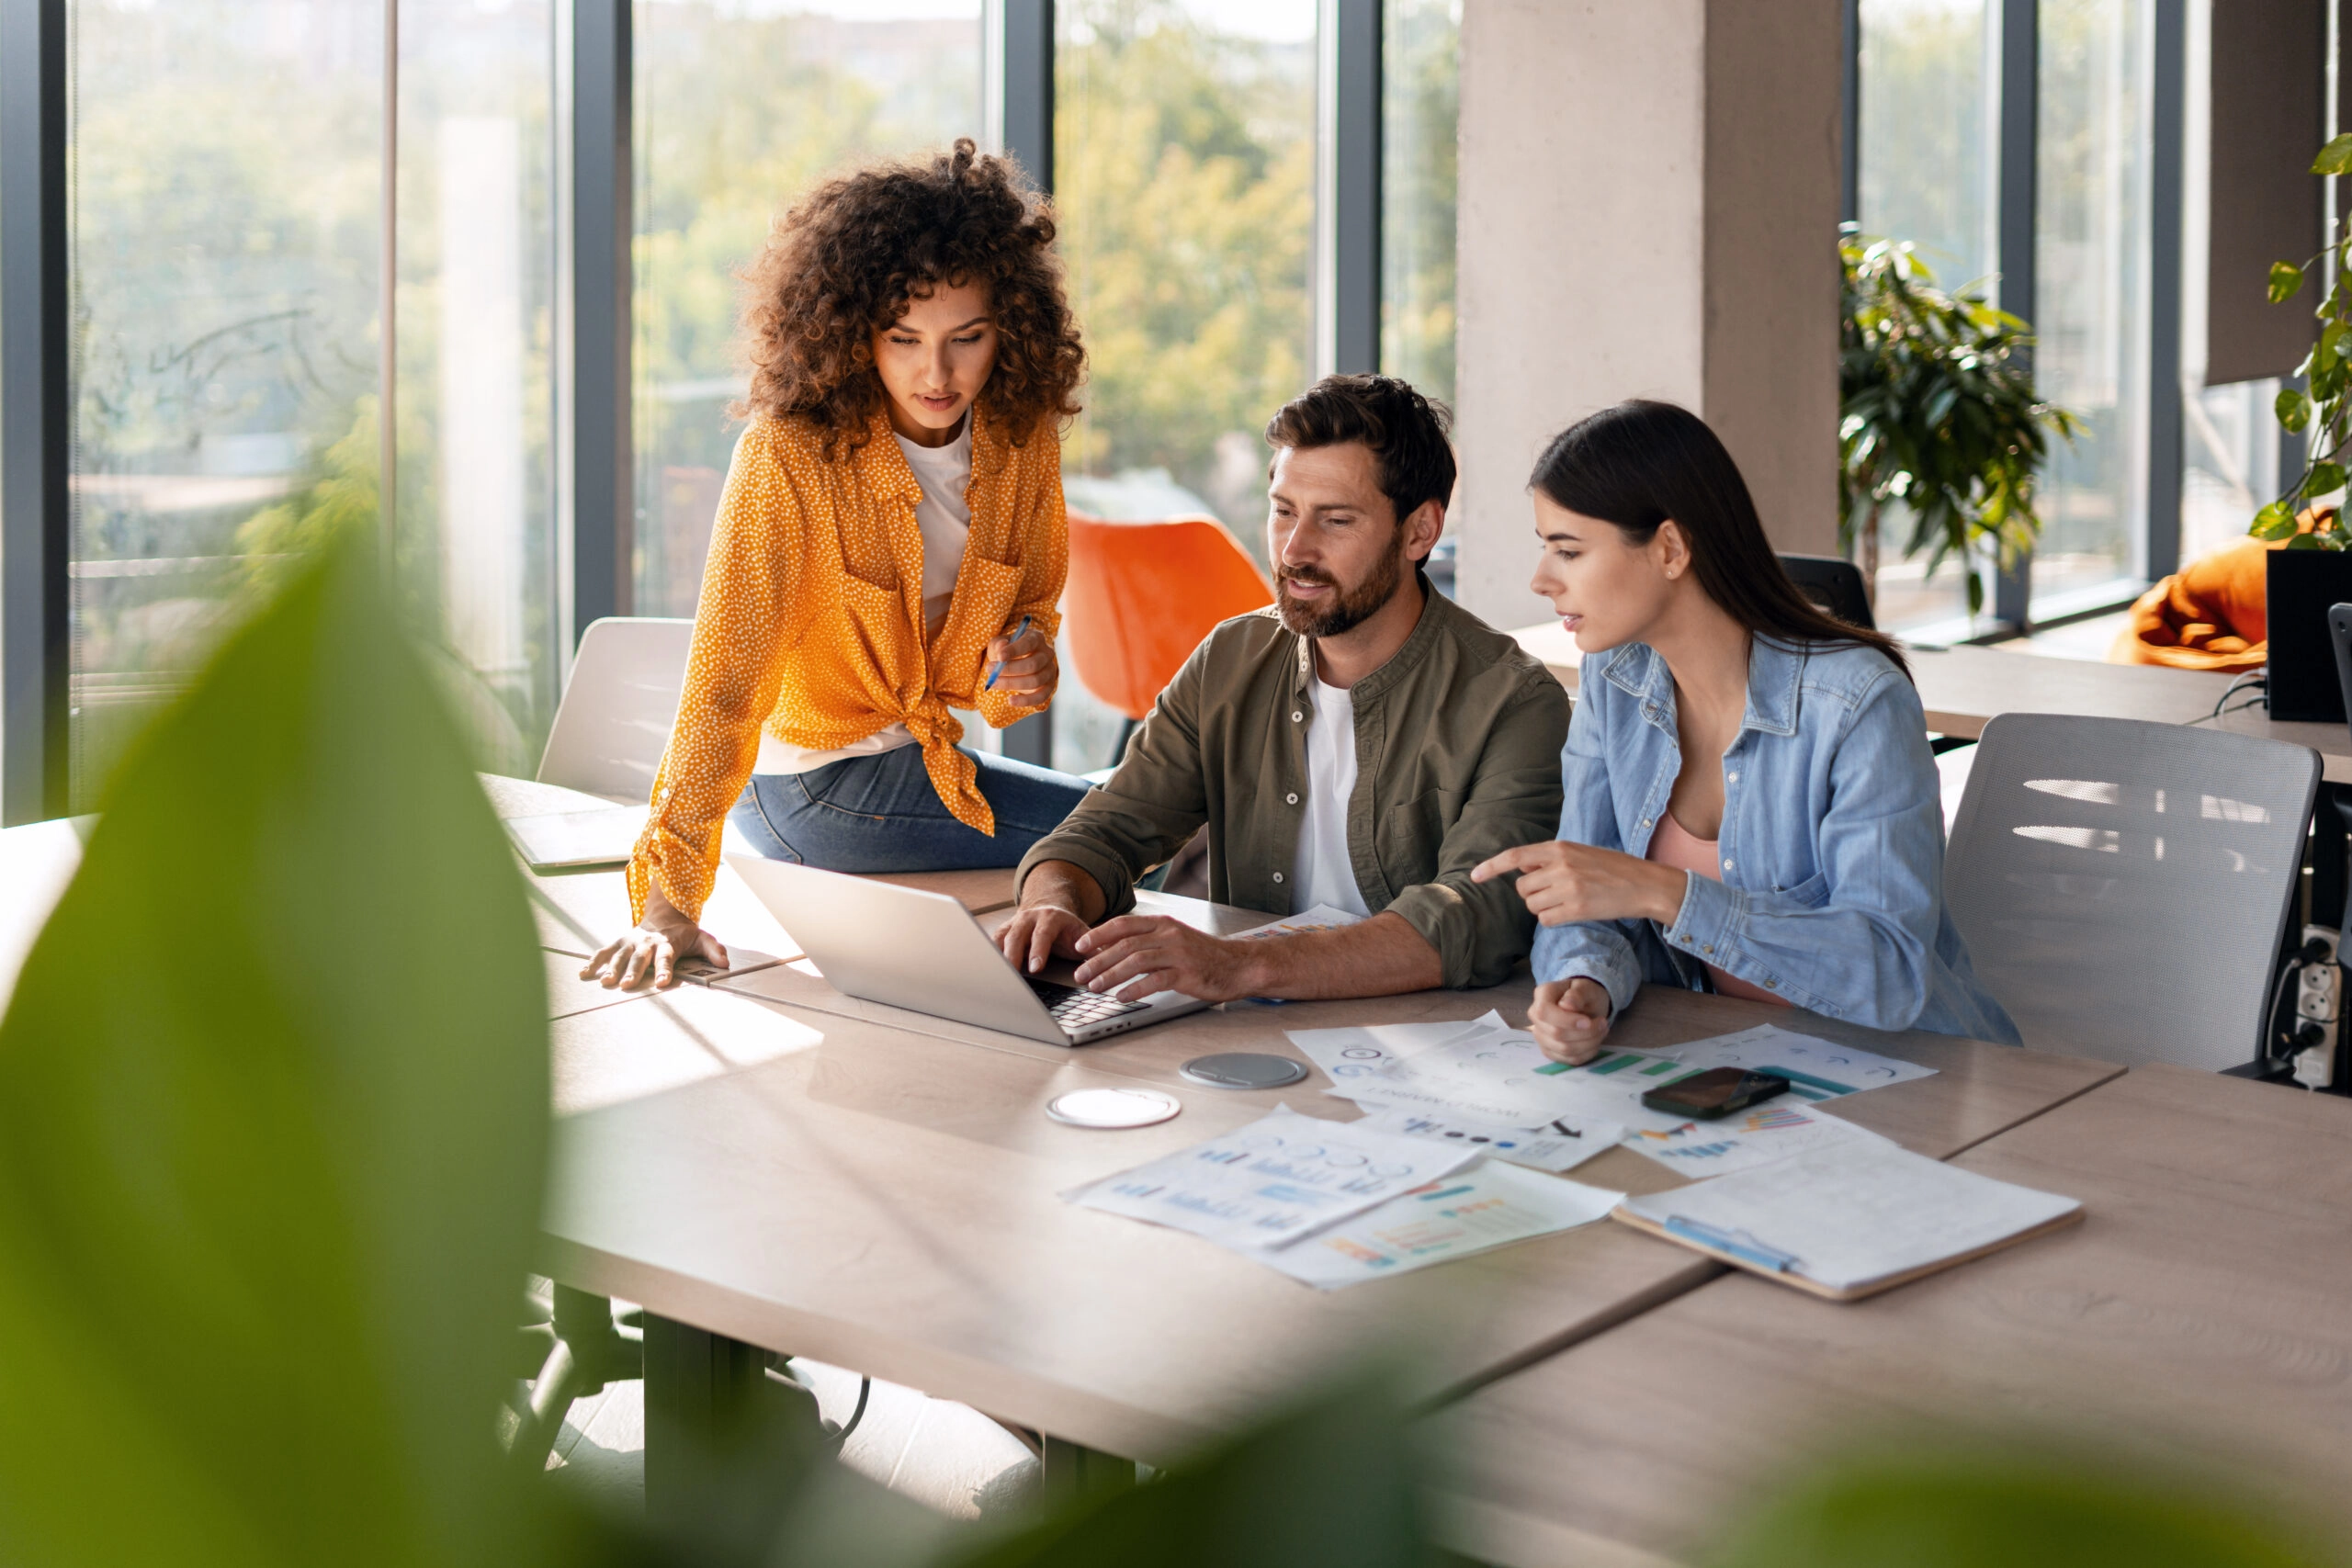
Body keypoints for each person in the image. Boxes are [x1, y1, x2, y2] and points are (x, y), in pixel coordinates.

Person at [588, 140, 1090, 990]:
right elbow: (725, 680)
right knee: (1119, 835)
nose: (938, 373)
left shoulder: (1020, 438)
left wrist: (1024, 662)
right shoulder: (790, 456)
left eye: (968, 337)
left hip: (921, 763)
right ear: (856, 333)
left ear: (1011, 326)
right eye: (904, 339)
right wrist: (668, 901)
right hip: (809, 787)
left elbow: (1014, 648)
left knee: (1128, 819)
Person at [1471, 400, 2019, 1062]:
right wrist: (1585, 981)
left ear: (1670, 548)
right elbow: (1588, 899)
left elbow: (1890, 968)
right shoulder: (1613, 681)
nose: (1540, 579)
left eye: (1569, 550)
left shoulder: (1857, 704)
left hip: (1910, 1069)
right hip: (1732, 1059)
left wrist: (1664, 892)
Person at [997, 374, 1572, 1001]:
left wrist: (1242, 965)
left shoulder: (1514, 702)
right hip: (1253, 1035)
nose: (1295, 550)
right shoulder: (1231, 658)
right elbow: (1104, 831)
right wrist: (1051, 905)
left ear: (1420, 531)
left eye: (1336, 519)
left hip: (1432, 1046)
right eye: (1283, 511)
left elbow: (1473, 915)